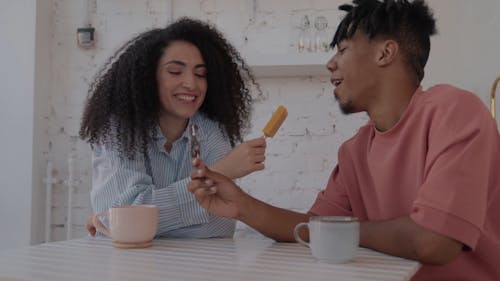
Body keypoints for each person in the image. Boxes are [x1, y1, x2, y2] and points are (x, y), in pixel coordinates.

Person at [187, 0, 500, 280]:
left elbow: (435, 241)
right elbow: (311, 228)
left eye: (343, 49)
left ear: (385, 52)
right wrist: (241, 205)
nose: (330, 63)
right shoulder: (354, 151)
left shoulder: (455, 112)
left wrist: (340, 231)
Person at [80, 17, 267, 238]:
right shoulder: (119, 130)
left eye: (201, 74)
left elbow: (218, 226)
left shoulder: (212, 130)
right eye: (175, 72)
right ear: (149, 77)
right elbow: (122, 223)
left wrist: (141, 216)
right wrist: (220, 172)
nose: (191, 83)